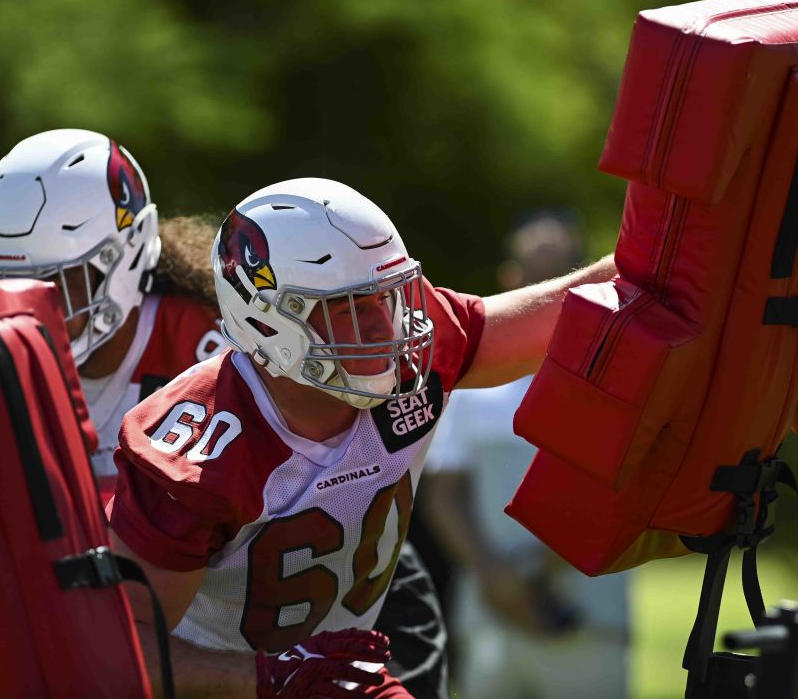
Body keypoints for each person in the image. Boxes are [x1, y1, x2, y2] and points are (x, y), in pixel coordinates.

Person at [0, 134, 464, 697]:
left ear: (126, 252)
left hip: (334, 580)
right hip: (165, 619)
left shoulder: (232, 344)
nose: (33, 305)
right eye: (8, 283)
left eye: (61, 283)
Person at [105, 177, 617, 697]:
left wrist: (659, 262)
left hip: (339, 672)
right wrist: (267, 680)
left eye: (387, 297)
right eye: (350, 308)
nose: (384, 327)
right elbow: (121, 650)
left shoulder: (413, 354)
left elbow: (572, 315)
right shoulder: (199, 450)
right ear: (268, 323)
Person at [419, 212, 633, 699]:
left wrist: (533, 572)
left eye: (561, 272)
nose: (549, 288)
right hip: (489, 613)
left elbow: (623, 494)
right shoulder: (471, 387)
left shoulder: (617, 382)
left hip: (588, 615)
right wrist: (495, 574)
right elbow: (443, 495)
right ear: (510, 279)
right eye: (535, 274)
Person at [0, 129, 226, 504]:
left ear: (126, 255)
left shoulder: (205, 351)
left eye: (53, 282)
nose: (25, 307)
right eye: (6, 284)